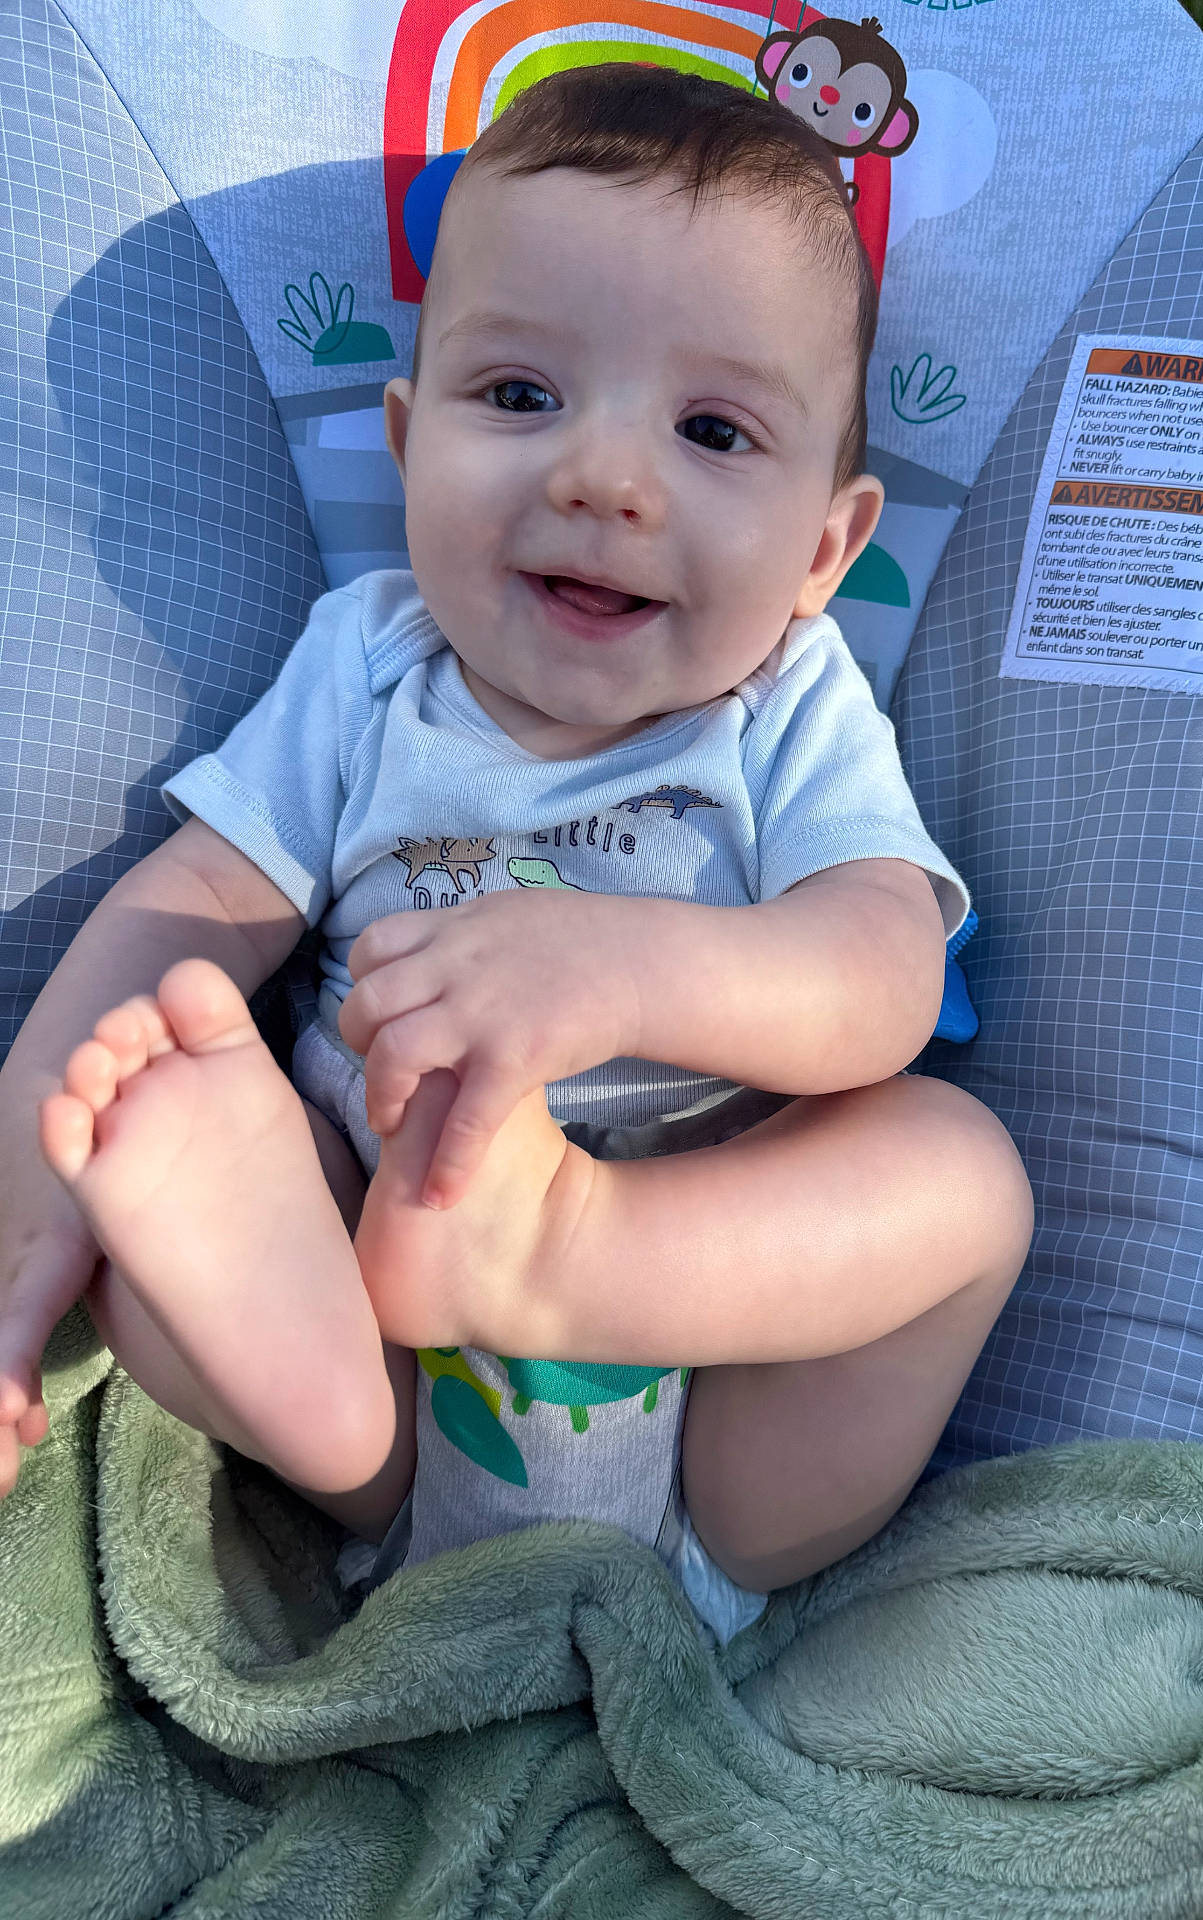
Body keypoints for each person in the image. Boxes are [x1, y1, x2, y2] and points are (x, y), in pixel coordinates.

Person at [0, 65, 1031, 1643]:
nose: (602, 478)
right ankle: (331, 1392)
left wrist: (622, 970)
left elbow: (881, 974)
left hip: (726, 1416)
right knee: (173, 1158)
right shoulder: (368, 666)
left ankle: (566, 1251)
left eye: (711, 429)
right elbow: (186, 911)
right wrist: (38, 1190)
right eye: (521, 397)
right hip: (380, 1373)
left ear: (827, 550)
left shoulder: (783, 706)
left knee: (959, 1182)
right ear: (407, 444)